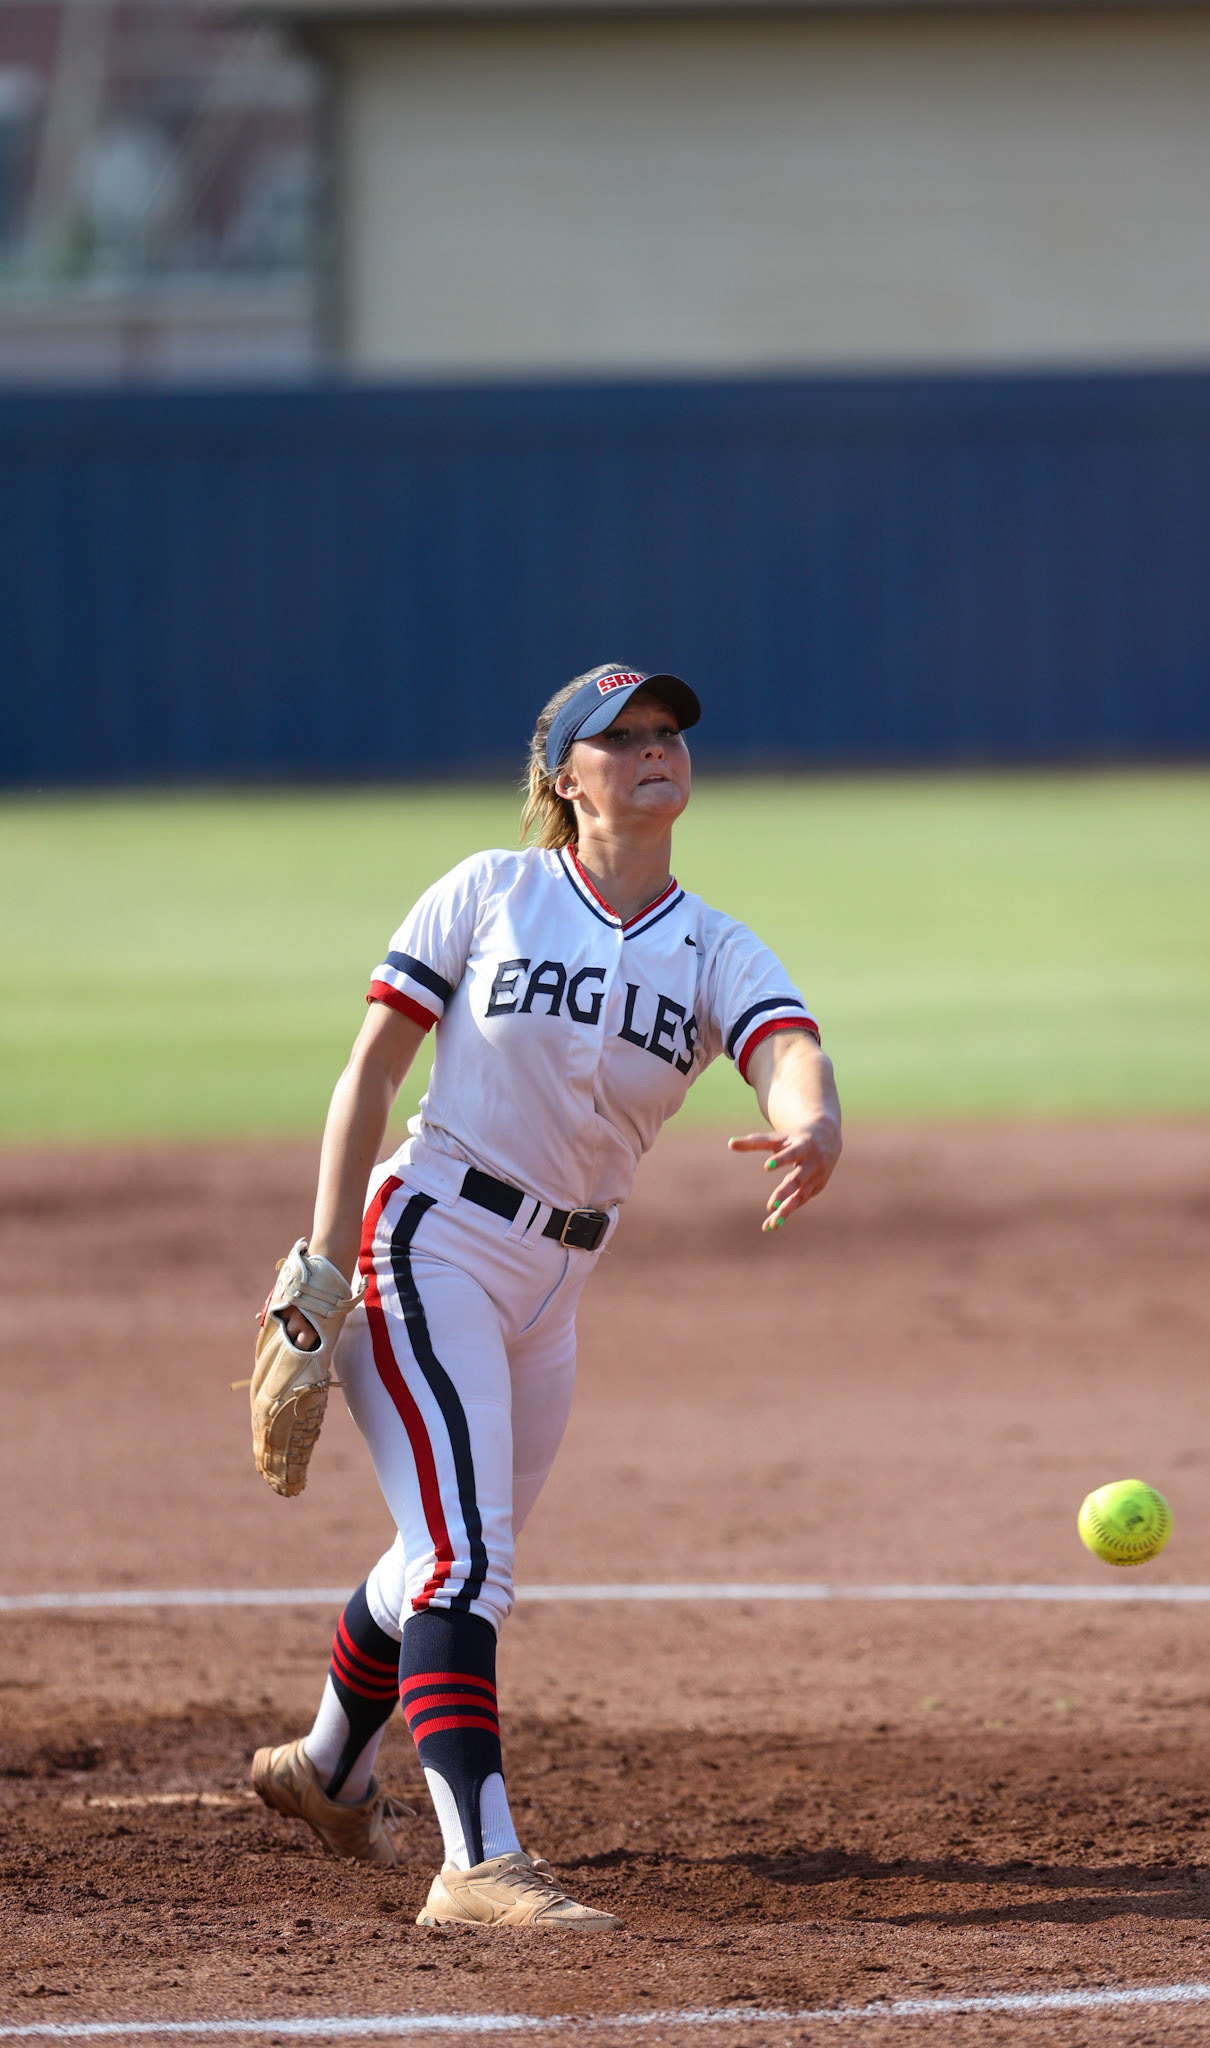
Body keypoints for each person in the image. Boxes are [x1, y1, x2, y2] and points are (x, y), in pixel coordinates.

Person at [250, 664, 842, 1930]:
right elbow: (372, 1071)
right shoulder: (493, 890)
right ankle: (476, 1861)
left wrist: (813, 1117)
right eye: (617, 737)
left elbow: (785, 1043)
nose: (651, 750)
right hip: (429, 1241)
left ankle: (327, 1764)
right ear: (562, 779)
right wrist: (318, 1265)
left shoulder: (709, 944)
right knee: (471, 1556)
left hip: (556, 1285)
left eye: (666, 732)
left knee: (438, 1556)